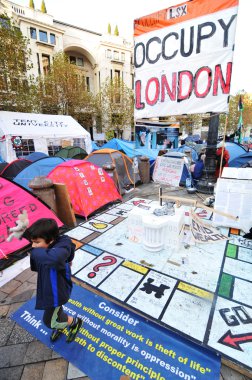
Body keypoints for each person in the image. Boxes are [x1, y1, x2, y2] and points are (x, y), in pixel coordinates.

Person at [24, 218, 82, 343]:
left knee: (49, 322)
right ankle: (60, 321)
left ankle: (74, 322)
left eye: (36, 242)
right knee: (56, 312)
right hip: (48, 287)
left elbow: (56, 257)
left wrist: (33, 253)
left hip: (56, 294)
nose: (33, 246)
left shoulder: (58, 251)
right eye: (32, 242)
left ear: (51, 240)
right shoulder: (49, 247)